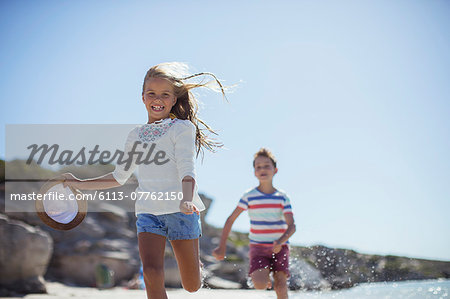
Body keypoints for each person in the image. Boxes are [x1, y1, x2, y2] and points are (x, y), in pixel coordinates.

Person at [62, 62, 226, 299]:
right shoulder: (136, 135)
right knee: (150, 272)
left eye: (164, 94)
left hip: (182, 210)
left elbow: (186, 168)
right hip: (148, 213)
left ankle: (195, 266)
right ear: (143, 97)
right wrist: (78, 183)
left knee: (191, 285)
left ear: (173, 100)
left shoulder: (181, 128)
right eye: (152, 93)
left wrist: (187, 200)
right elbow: (119, 177)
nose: (157, 99)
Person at [212, 148, 296, 299]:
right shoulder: (249, 196)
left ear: (275, 170)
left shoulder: (282, 197)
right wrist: (222, 246)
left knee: (281, 286)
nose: (262, 169)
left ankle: (276, 280)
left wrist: (281, 241)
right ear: (254, 172)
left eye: (266, 166)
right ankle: (266, 277)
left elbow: (292, 226)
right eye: (258, 167)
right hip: (258, 248)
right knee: (259, 285)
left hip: (280, 247)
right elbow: (230, 219)